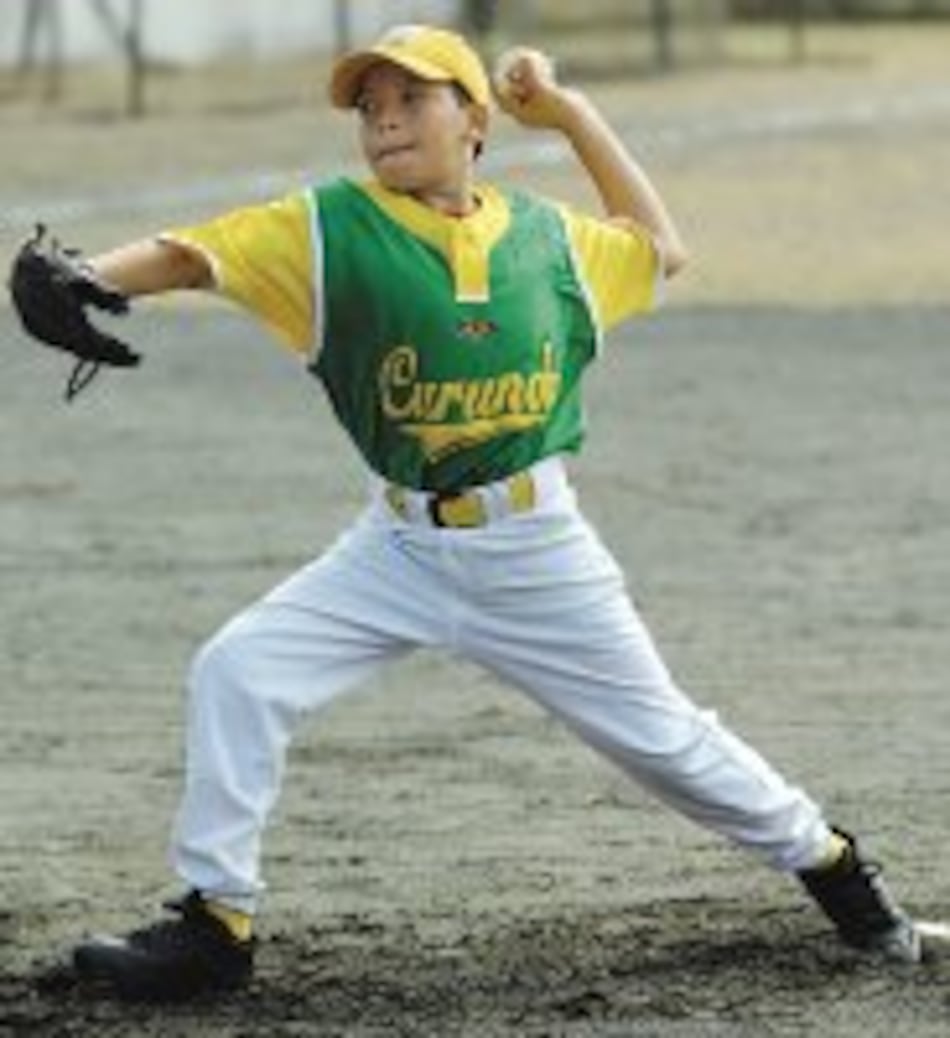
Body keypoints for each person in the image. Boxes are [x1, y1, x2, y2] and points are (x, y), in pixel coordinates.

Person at [12, 24, 920, 1002]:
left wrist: (569, 112)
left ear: (474, 122)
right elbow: (193, 256)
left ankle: (836, 873)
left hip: (534, 547)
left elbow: (661, 249)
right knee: (238, 670)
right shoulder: (329, 229)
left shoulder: (546, 239)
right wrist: (85, 275)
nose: (385, 118)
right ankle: (212, 925)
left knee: (665, 744)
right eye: (369, 106)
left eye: (413, 98)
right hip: (395, 544)